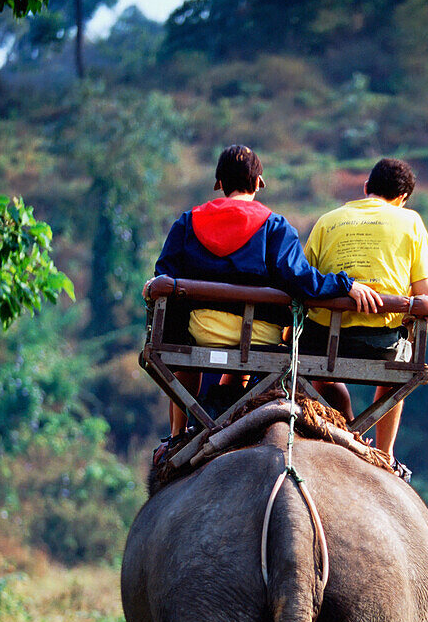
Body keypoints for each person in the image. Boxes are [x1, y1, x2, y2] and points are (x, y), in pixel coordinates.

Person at [146, 145, 381, 438]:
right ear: (258, 182)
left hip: (203, 331)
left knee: (185, 347)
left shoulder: (188, 221)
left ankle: (178, 433)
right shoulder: (274, 225)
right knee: (262, 349)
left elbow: (163, 273)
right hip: (260, 336)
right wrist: (346, 283)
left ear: (219, 183)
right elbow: (301, 279)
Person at [303, 157, 428, 475]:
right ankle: (384, 453)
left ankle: (347, 428)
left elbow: (305, 278)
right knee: (399, 368)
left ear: (366, 188)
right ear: (402, 199)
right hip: (379, 343)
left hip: (320, 341)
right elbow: (425, 295)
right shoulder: (410, 221)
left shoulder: (327, 220)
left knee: (327, 376)